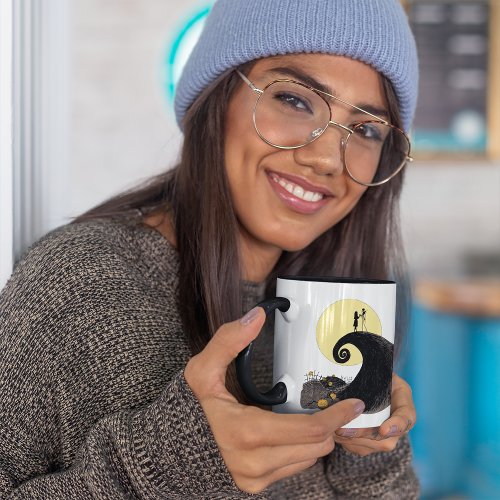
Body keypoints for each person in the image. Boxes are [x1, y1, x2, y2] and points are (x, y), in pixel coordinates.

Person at [0, 0, 420, 497]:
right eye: (296, 100)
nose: (328, 158)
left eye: (367, 130)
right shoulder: (80, 282)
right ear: (216, 99)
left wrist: (364, 445)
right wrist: (168, 465)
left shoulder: (333, 310)